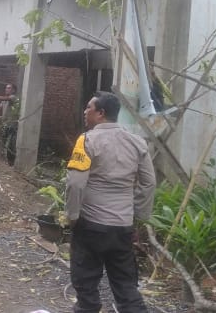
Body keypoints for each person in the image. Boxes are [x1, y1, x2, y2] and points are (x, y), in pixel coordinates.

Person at [65, 92, 156, 313]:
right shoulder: (137, 142)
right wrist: (137, 218)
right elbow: (149, 183)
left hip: (91, 225)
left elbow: (76, 184)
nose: (85, 111)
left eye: (89, 107)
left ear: (101, 113)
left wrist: (72, 216)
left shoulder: (86, 140)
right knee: (126, 286)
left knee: (86, 283)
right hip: (122, 226)